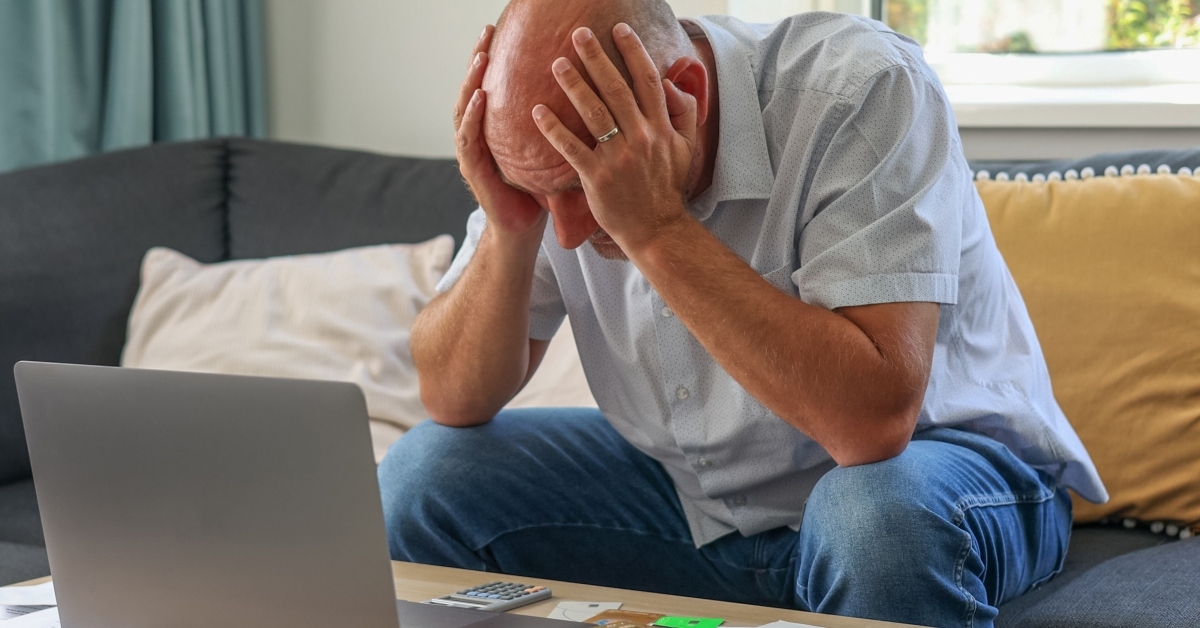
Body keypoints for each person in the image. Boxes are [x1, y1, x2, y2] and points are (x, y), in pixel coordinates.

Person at [378, 1, 1108, 625]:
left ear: (684, 95)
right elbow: (450, 395)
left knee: (871, 521)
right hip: (695, 502)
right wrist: (509, 223)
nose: (563, 232)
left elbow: (873, 424)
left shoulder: (861, 89)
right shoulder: (557, 166)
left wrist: (657, 229)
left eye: (581, 188)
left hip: (943, 475)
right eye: (539, 193)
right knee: (423, 478)